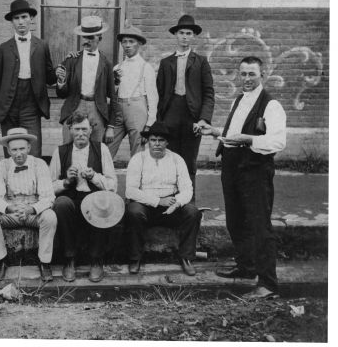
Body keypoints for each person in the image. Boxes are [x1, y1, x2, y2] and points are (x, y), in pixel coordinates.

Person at [200, 56, 286, 300]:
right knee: (235, 221)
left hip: (255, 169)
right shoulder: (238, 100)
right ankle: (246, 267)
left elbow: (277, 141)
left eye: (252, 74)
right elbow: (232, 133)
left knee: (260, 225)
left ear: (263, 75)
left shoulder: (271, 105)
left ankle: (268, 284)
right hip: (232, 166)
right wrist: (215, 131)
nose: (247, 79)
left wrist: (249, 140)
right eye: (243, 74)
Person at [124, 121, 202, 276]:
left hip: (171, 206)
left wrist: (177, 203)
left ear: (167, 142)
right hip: (146, 205)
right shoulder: (138, 159)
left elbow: (187, 188)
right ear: (148, 141)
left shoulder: (176, 159)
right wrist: (158, 201)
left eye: (161, 140)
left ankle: (186, 257)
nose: (157, 144)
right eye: (153, 140)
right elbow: (130, 191)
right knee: (133, 211)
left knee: (193, 212)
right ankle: (135, 258)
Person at [49, 110, 118, 282]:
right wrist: (66, 181)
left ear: (91, 130)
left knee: (100, 203)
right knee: (61, 203)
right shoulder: (60, 151)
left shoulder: (101, 149)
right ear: (70, 130)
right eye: (77, 129)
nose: (81, 134)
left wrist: (94, 176)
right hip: (71, 198)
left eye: (84, 129)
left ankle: (96, 259)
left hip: (94, 197)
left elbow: (112, 185)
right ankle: (69, 259)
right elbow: (48, 188)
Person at [0, 128, 57, 282]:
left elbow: (49, 196)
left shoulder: (39, 164)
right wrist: (9, 208)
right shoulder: (2, 165)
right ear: (8, 150)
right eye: (14, 149)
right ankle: (0, 261)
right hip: (11, 212)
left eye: (22, 149)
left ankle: (44, 262)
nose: (18, 153)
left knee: (50, 216)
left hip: (33, 211)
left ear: (29, 148)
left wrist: (31, 209)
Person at [156, 15, 214, 199]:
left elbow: (209, 93)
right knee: (168, 159)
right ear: (176, 35)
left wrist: (203, 119)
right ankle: (170, 201)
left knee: (189, 162)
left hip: (192, 118)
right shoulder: (166, 63)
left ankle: (189, 204)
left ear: (193, 36)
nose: (185, 37)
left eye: (189, 33)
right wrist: (159, 122)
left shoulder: (201, 61)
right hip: (170, 115)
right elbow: (159, 94)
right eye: (181, 33)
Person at [0, 0, 57, 158]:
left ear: (31, 19)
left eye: (24, 17)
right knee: (11, 151)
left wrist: (60, 73)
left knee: (33, 151)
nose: (21, 22)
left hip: (31, 105)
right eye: (16, 18)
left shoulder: (41, 45)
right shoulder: (4, 48)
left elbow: (49, 76)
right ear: (12, 22)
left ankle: (34, 182)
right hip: (8, 106)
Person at [56, 15, 118, 144]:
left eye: (91, 37)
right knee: (68, 146)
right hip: (75, 106)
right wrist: (61, 81)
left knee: (95, 149)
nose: (86, 41)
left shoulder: (106, 63)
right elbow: (61, 94)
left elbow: (113, 96)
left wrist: (111, 126)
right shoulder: (72, 60)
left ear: (99, 38)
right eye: (84, 37)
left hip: (97, 109)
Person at [107, 24, 158, 158]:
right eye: (124, 42)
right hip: (118, 111)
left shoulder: (146, 68)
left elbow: (153, 98)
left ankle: (136, 179)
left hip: (137, 111)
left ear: (139, 44)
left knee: (137, 153)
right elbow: (112, 94)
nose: (127, 45)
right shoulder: (117, 67)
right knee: (107, 149)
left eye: (131, 41)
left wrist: (149, 125)